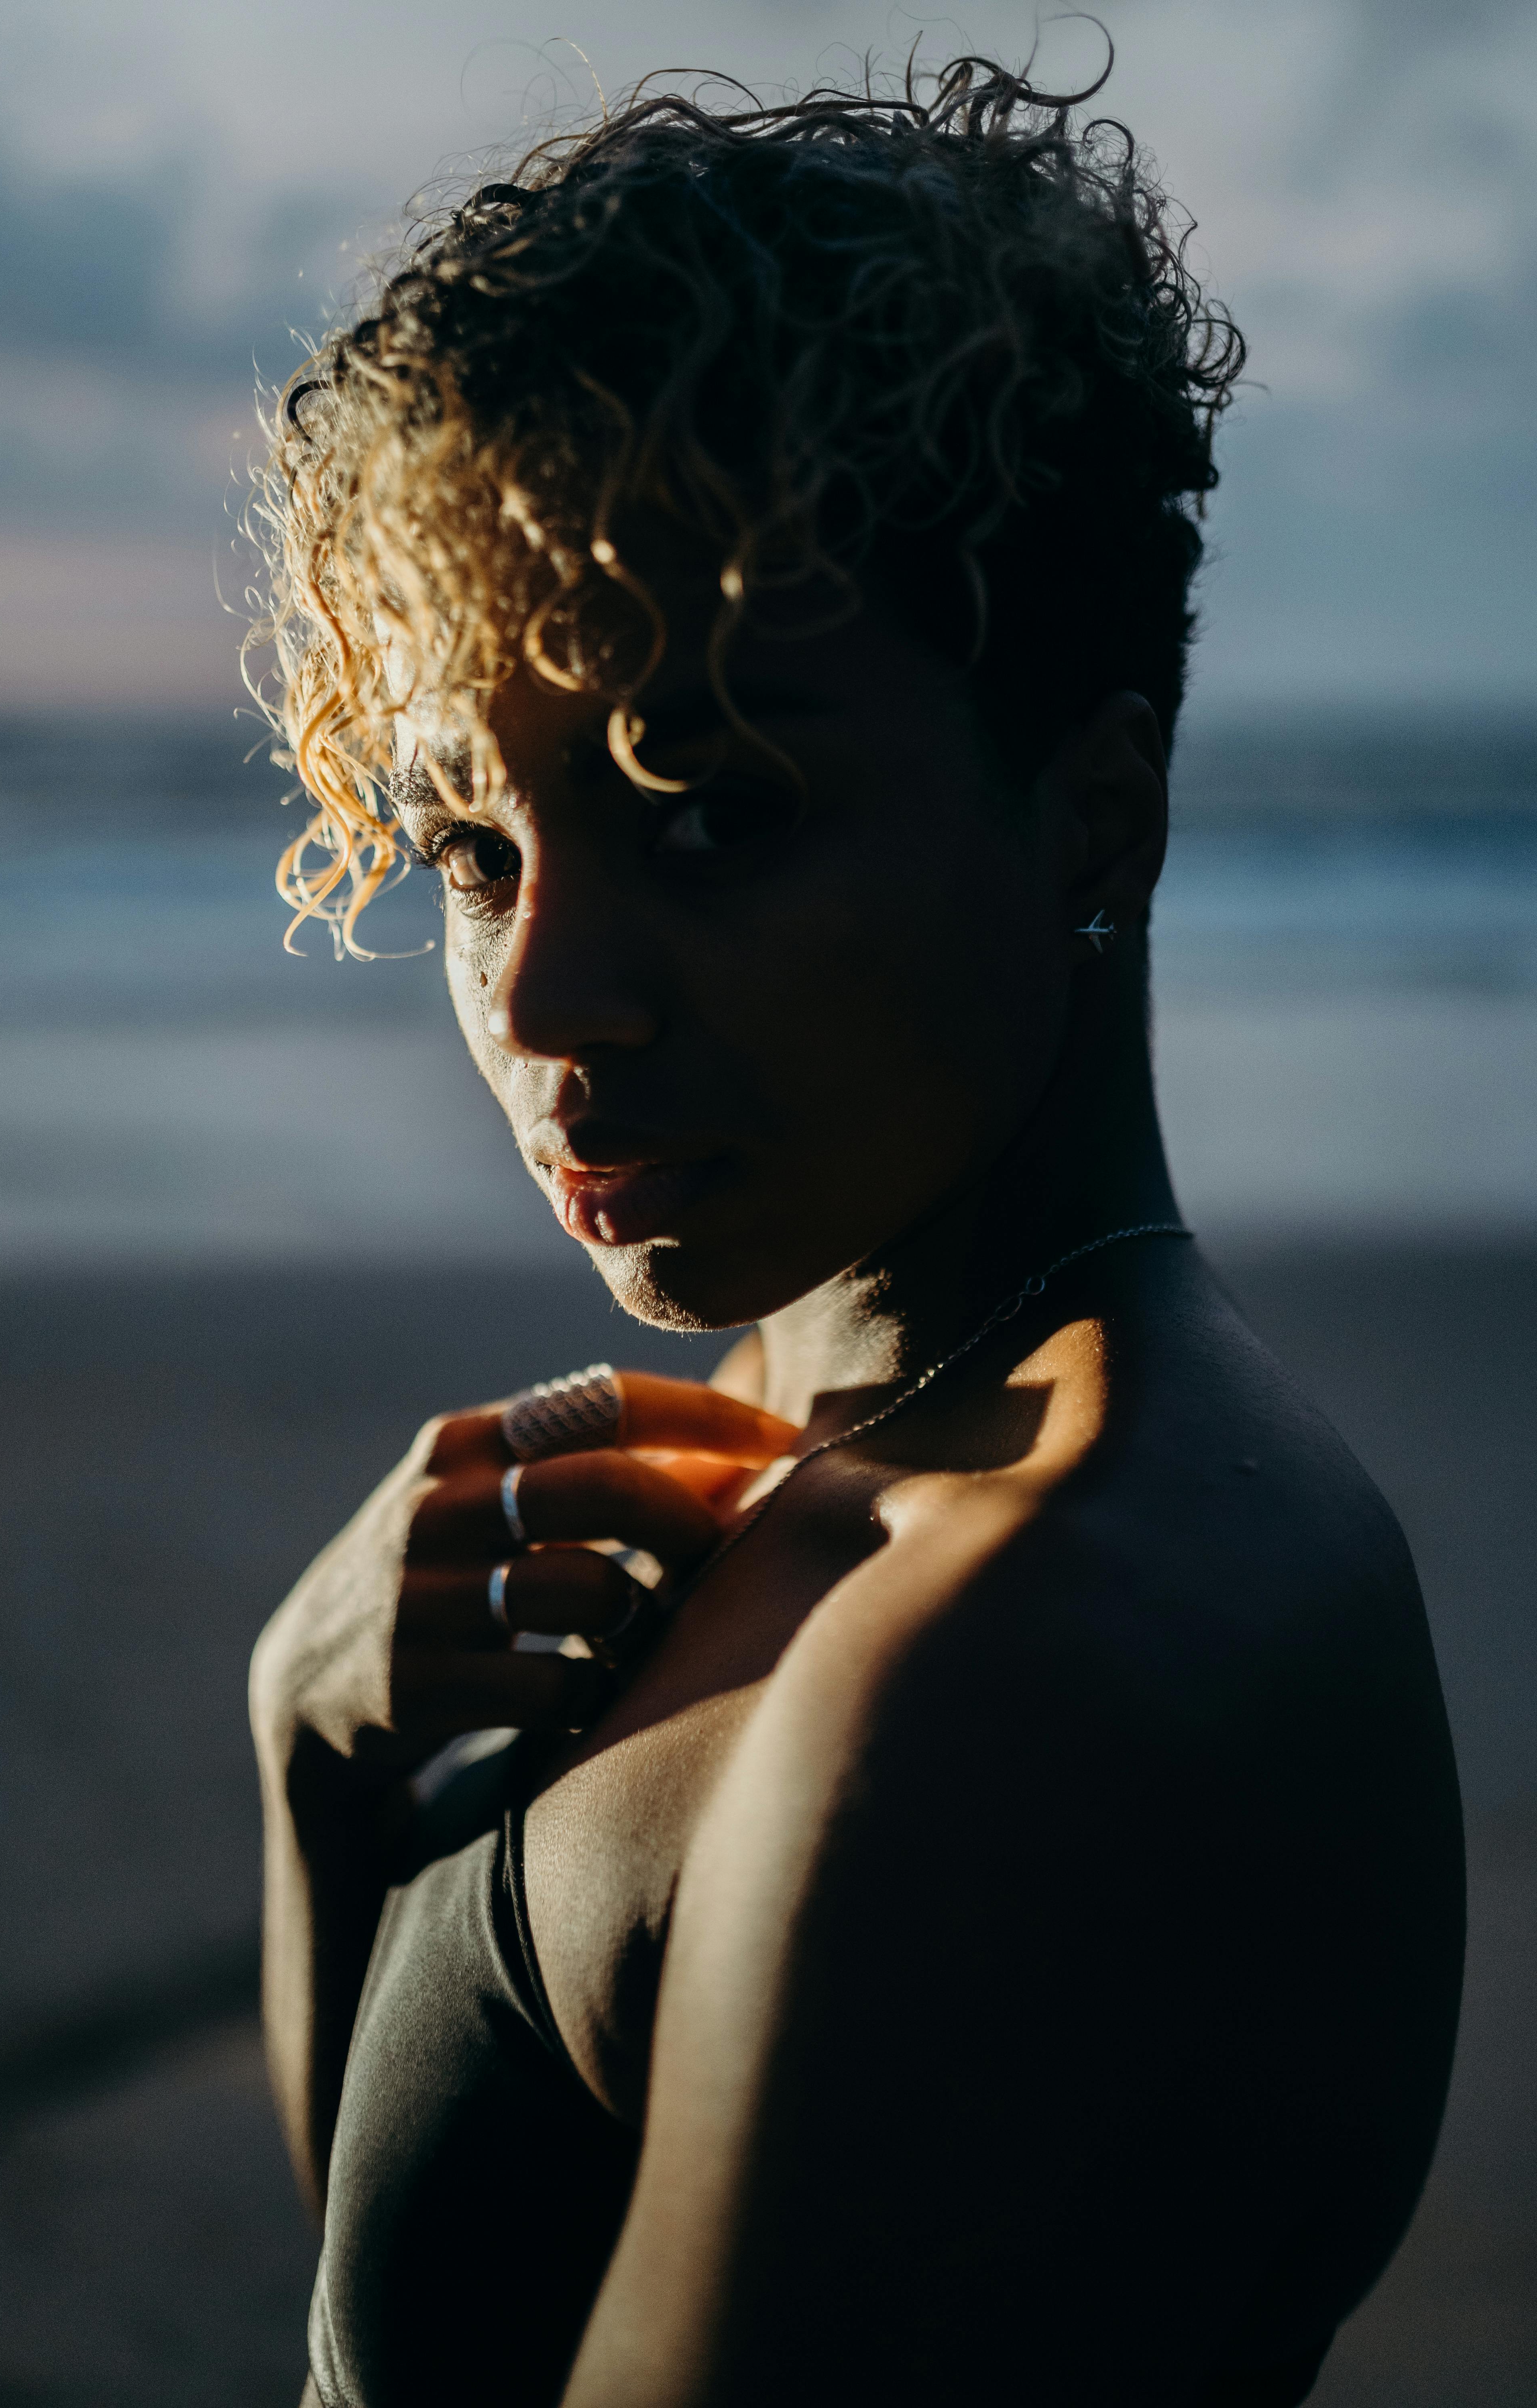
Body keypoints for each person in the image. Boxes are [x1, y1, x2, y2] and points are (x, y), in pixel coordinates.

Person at [246, 53, 1464, 2408]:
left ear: (1089, 808)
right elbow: (433, 2309)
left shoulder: (1004, 1684)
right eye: (474, 845)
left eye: (711, 810)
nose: (537, 998)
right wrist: (307, 1746)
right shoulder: (836, 1430)